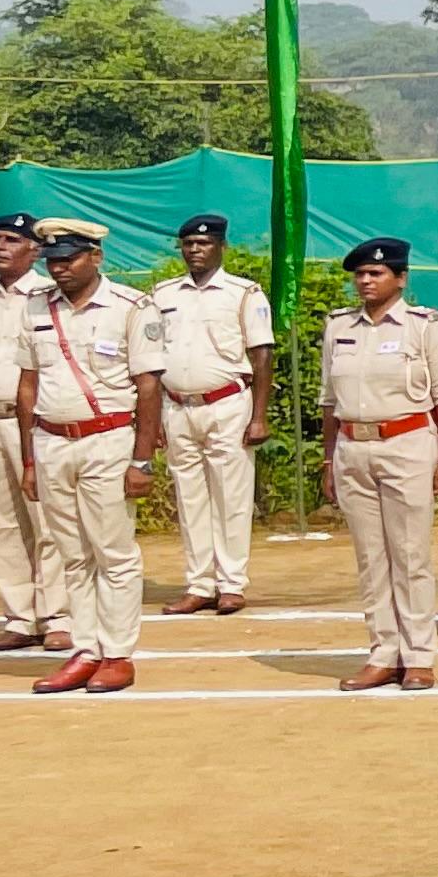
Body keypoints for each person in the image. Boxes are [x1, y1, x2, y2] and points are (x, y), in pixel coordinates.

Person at [14, 220, 158, 693]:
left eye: (69, 259)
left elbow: (149, 386)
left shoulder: (130, 308)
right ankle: (85, 649)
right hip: (52, 441)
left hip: (108, 440)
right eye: (53, 261)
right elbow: (28, 384)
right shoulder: (35, 307)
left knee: (113, 552)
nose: (60, 269)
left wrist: (141, 461)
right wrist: (30, 459)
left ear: (95, 257)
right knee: (72, 553)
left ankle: (117, 654)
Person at [320, 239, 438, 692]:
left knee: (410, 555)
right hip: (352, 447)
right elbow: (329, 400)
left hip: (407, 443)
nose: (366, 281)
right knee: (371, 557)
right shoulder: (339, 327)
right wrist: (328, 460)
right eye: (360, 274)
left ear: (400, 279)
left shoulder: (425, 327)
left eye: (376, 274)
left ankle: (419, 654)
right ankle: (384, 652)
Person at [141, 212, 274, 617]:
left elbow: (262, 353)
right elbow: (148, 358)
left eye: (204, 244)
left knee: (230, 496)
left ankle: (231, 583)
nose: (195, 251)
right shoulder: (163, 294)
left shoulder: (243, 293)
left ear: (221, 247)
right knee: (190, 496)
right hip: (177, 405)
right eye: (188, 244)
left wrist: (259, 416)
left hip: (228, 403)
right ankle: (199, 583)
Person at [0, 214, 46, 651]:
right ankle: (20, 615)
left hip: (30, 420)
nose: (0, 246)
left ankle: (58, 614)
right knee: (4, 524)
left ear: (35, 249)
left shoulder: (46, 298)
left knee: (45, 520)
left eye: (11, 239)